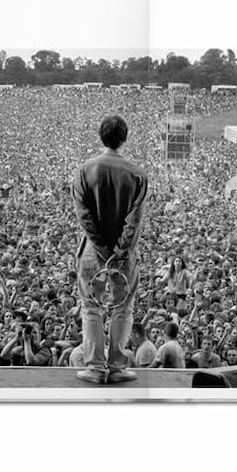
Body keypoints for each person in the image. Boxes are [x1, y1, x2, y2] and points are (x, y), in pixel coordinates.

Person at [71, 115, 149, 384]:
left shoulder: (84, 171)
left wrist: (101, 248)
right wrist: (119, 251)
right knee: (122, 309)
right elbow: (134, 221)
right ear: (125, 138)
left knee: (90, 308)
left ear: (101, 136)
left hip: (91, 252)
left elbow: (83, 216)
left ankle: (94, 367)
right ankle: (116, 367)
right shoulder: (137, 174)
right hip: (124, 256)